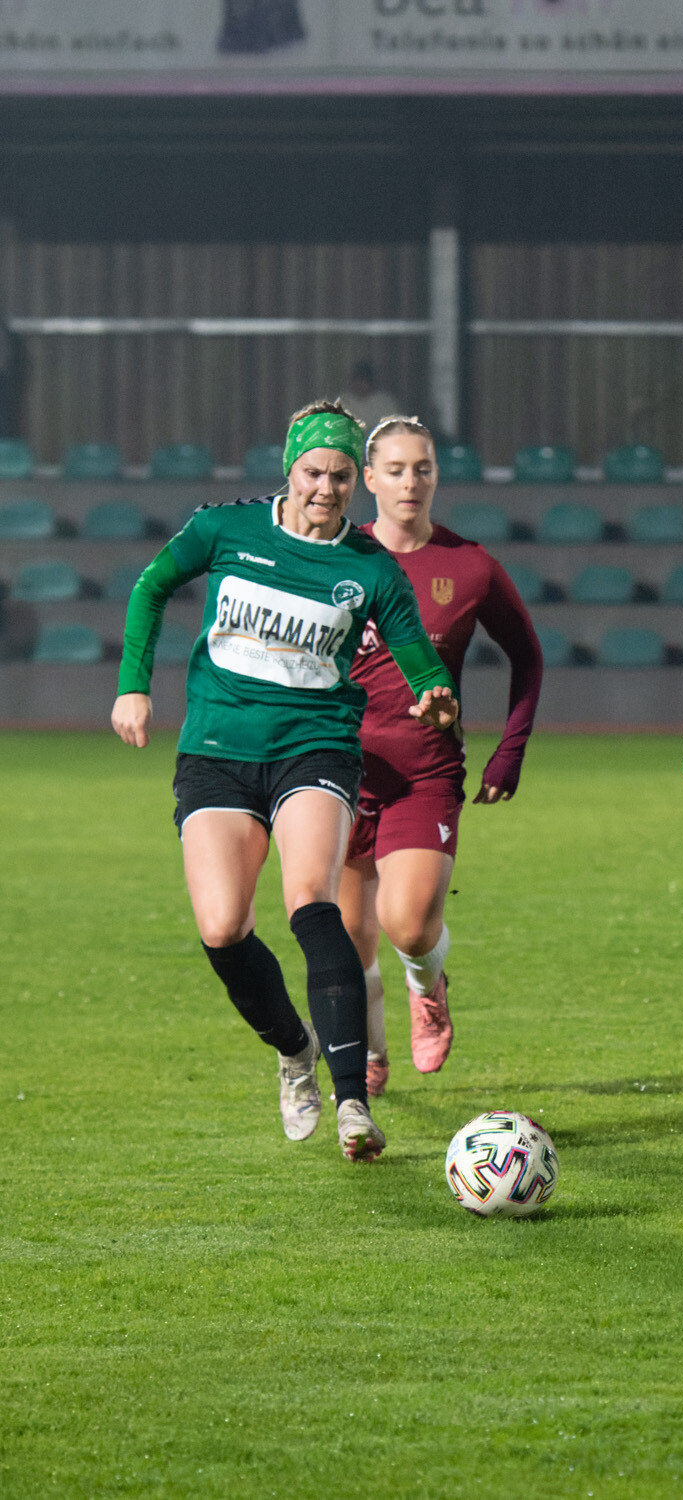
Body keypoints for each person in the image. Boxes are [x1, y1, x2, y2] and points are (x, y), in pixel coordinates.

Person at [111, 400, 459, 1162]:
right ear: (289, 470)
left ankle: (352, 1103)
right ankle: (295, 1051)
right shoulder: (225, 529)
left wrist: (436, 695)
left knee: (312, 901)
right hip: (217, 749)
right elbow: (151, 586)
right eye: (313, 473)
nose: (326, 489)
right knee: (222, 928)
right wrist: (133, 684)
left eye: (340, 477)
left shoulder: (370, 568)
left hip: (316, 748)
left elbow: (418, 656)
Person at [338, 416, 543, 1097]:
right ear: (369, 479)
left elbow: (527, 656)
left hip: (423, 772)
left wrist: (509, 752)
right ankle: (370, 1055)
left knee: (407, 922)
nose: (410, 481)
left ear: (436, 476)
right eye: (395, 469)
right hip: (337, 770)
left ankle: (428, 989)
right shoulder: (336, 557)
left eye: (422, 468)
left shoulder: (469, 565)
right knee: (349, 939)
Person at [337, 362, 399, 433]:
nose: (359, 385)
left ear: (370, 382)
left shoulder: (384, 402)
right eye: (356, 381)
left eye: (362, 381)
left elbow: (393, 427)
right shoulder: (344, 401)